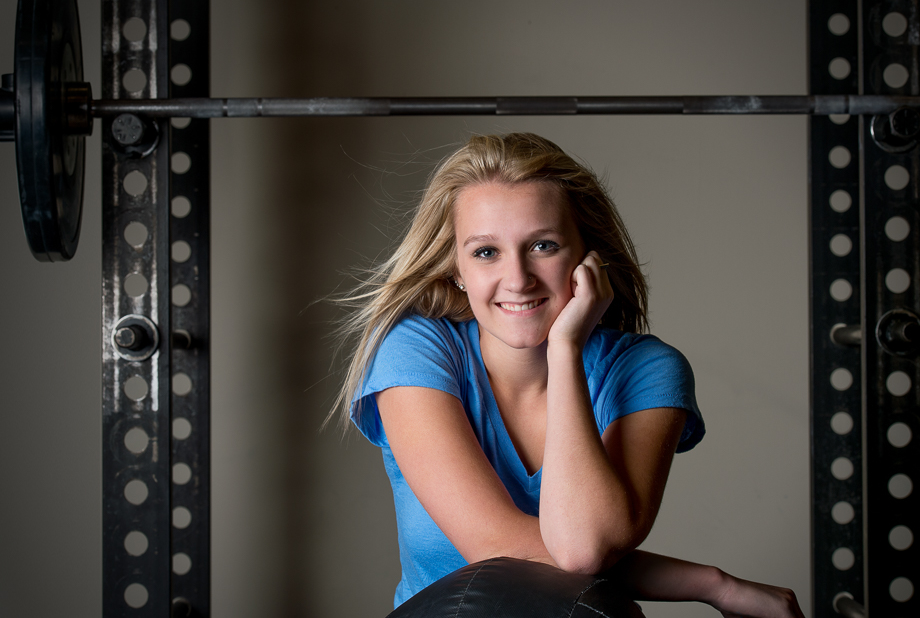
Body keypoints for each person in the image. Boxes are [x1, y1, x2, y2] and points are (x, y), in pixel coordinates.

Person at [331, 133, 804, 618]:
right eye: (486, 252)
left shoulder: (646, 371)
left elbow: (584, 546)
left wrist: (565, 350)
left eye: (543, 245)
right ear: (456, 269)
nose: (518, 279)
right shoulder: (415, 350)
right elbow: (498, 550)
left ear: (586, 256)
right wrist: (711, 584)